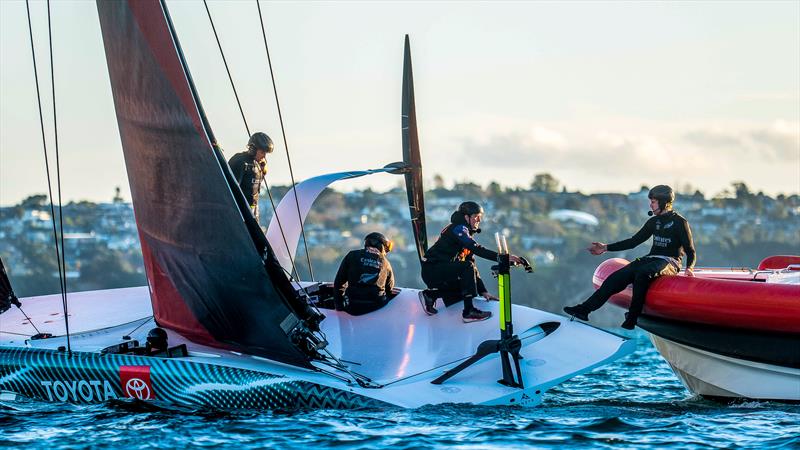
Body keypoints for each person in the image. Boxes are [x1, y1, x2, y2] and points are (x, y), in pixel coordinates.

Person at [563, 185, 696, 329]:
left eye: (653, 201)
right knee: (618, 276)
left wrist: (689, 268)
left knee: (642, 273)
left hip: (670, 262)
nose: (650, 204)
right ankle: (583, 310)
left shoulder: (680, 222)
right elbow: (633, 241)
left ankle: (632, 318)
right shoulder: (653, 222)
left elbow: (690, 250)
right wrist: (606, 248)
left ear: (664, 202)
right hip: (652, 259)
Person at [420, 201, 524, 323]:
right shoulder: (458, 228)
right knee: (466, 267)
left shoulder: (464, 234)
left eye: (480, 217)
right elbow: (476, 249)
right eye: (476, 217)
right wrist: (501, 257)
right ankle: (469, 311)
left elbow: (472, 267)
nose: (479, 220)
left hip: (439, 271)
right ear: (466, 217)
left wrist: (483, 291)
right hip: (432, 270)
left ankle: (430, 295)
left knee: (467, 282)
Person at [333, 232, 395, 316]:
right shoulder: (385, 263)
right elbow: (389, 289)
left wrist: (339, 306)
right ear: (382, 247)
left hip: (352, 307)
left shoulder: (352, 255)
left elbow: (339, 282)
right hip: (376, 307)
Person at [227, 132, 274, 222]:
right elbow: (231, 190)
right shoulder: (240, 162)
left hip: (253, 212)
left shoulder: (258, 163)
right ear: (253, 149)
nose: (264, 156)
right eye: (262, 152)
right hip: (240, 214)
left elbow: (252, 185)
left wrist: (262, 172)